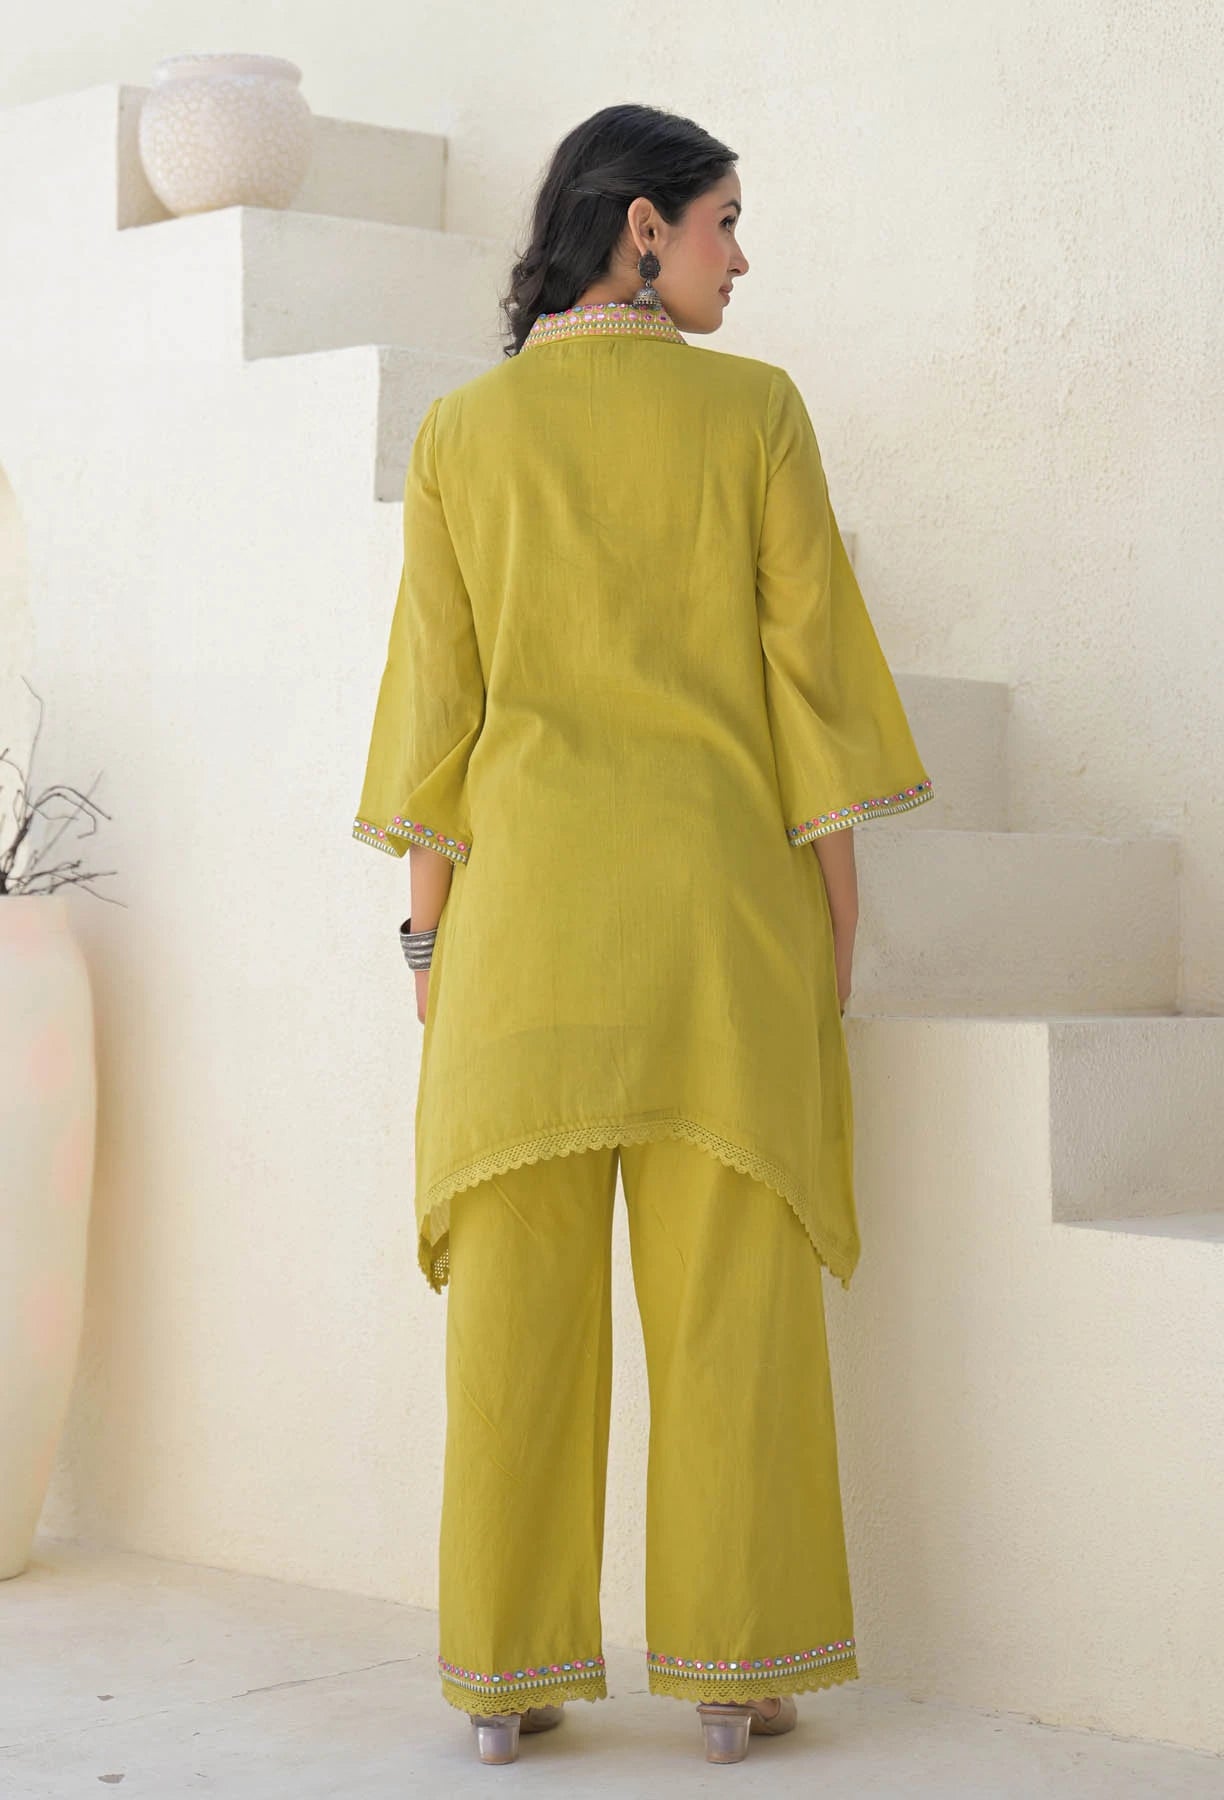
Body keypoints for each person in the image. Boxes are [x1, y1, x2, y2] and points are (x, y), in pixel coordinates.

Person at [351, 103, 934, 1767]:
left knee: (514, 1329)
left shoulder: (461, 436)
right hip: (718, 936)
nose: (742, 256)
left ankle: (505, 1683)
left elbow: (436, 719)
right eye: (724, 220)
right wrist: (835, 927)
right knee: (733, 1318)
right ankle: (739, 1679)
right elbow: (815, 695)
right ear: (642, 227)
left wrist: (426, 948)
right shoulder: (756, 415)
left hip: (522, 941)